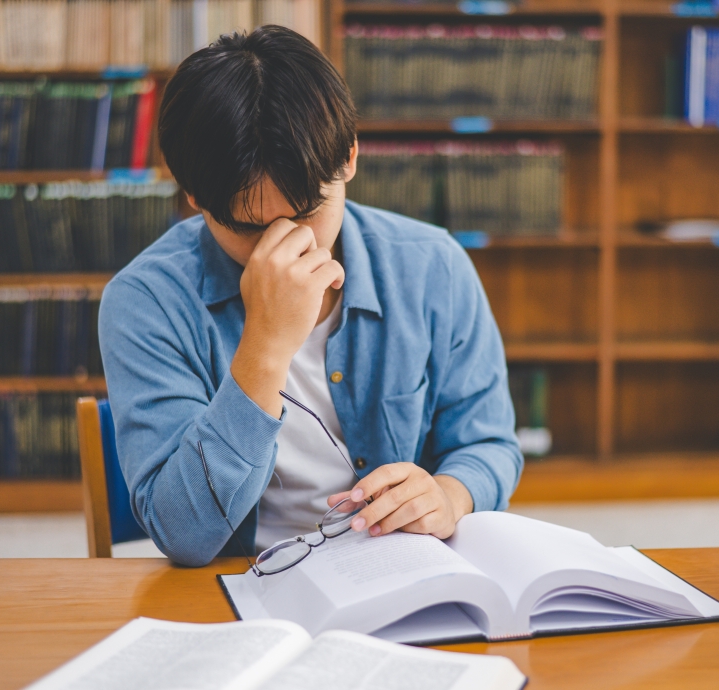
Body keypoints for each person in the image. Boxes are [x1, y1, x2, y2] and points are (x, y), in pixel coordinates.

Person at [99, 26, 523, 567]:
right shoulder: (145, 301)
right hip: (239, 588)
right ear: (194, 197)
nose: (284, 247)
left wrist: (448, 495)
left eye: (305, 215)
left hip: (398, 580)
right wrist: (265, 348)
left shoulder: (432, 266)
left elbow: (488, 445)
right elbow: (183, 534)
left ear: (348, 158)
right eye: (250, 229)